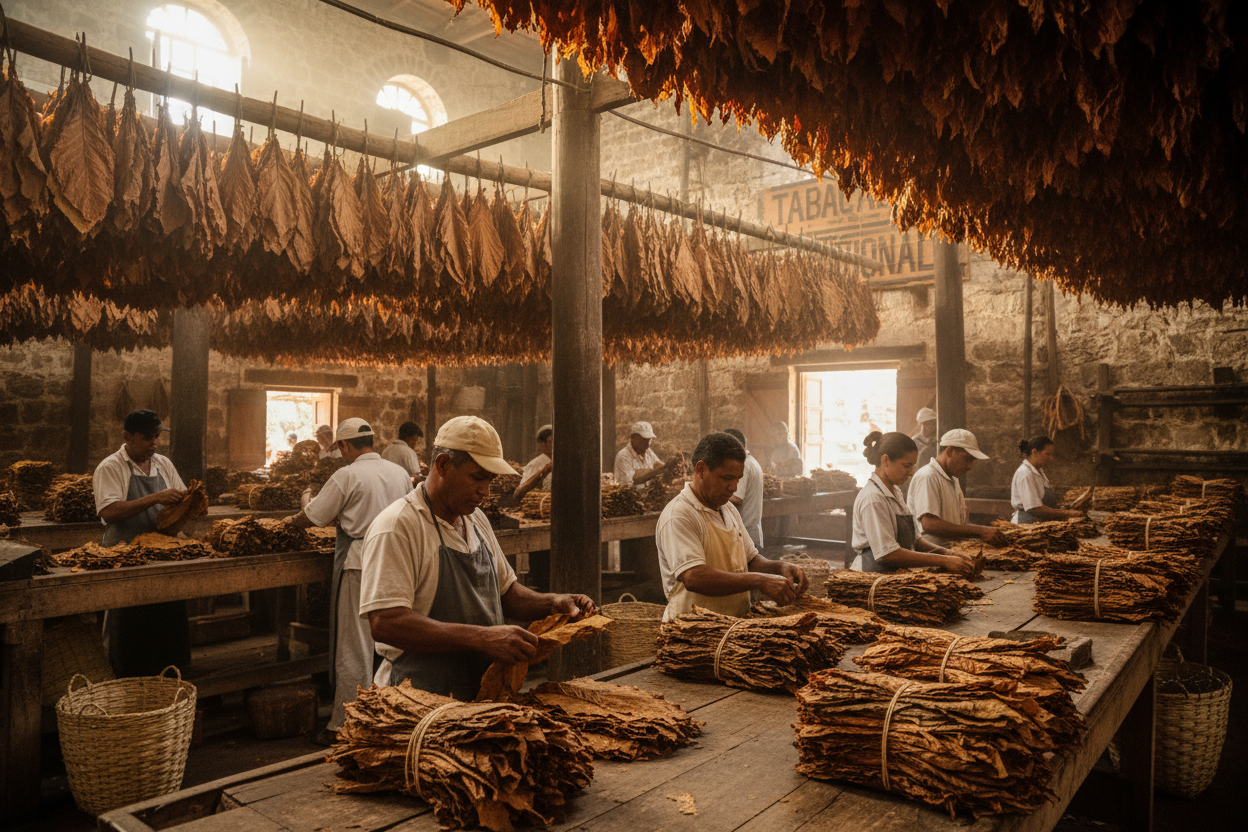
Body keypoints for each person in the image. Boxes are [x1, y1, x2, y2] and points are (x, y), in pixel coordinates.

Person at [359, 416, 595, 699]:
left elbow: (508, 594)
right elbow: (386, 622)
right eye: (477, 478)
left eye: (490, 481)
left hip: (482, 693)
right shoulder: (398, 526)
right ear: (443, 464)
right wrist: (482, 637)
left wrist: (554, 602)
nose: (485, 491)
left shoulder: (476, 519)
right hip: (419, 699)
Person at [286, 418, 412, 740]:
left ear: (343, 446)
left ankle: (344, 723)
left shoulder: (347, 474)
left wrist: (299, 507)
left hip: (360, 563)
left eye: (339, 448)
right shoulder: (399, 473)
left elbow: (313, 517)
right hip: (396, 560)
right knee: (394, 641)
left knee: (354, 644)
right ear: (371, 440)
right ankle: (392, 711)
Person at [656, 432, 808, 621]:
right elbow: (694, 577)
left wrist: (780, 567)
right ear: (701, 469)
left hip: (733, 627)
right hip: (691, 632)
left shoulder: (728, 510)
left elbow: (751, 561)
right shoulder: (679, 515)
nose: (734, 487)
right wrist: (760, 581)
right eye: (726, 478)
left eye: (737, 479)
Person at [93, 409, 190, 676]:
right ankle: (129, 678)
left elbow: (179, 500)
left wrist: (190, 506)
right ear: (127, 436)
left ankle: (170, 675)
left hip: (161, 553)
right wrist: (154, 498)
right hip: (124, 555)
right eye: (148, 438)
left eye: (157, 437)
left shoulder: (163, 464)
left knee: (167, 616)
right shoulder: (111, 467)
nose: (154, 444)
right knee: (129, 622)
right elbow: (109, 511)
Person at [850, 431, 980, 576]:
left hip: (893, 575)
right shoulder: (873, 498)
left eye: (913, 466)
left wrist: (947, 553)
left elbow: (916, 541)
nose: (911, 472)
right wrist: (944, 560)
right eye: (906, 466)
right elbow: (888, 554)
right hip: (872, 576)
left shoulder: (896, 492)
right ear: (885, 460)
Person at [907, 429, 1008, 548]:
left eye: (972, 461)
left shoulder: (953, 480)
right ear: (949, 451)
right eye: (967, 459)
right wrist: (979, 530)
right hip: (930, 551)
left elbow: (956, 524)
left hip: (949, 550)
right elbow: (929, 524)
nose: (970, 466)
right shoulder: (928, 476)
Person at [1010, 435, 1086, 524]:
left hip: (1041, 522)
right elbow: (1034, 509)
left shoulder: (1038, 471)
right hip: (1027, 524)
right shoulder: (1025, 473)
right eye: (1048, 454)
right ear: (1035, 452)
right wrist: (1068, 513)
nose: (1051, 458)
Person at [723, 428, 764, 550]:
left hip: (746, 532)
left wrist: (712, 494)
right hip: (751, 530)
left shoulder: (743, 465)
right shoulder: (752, 461)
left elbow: (737, 498)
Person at [614, 421, 675, 486]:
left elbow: (658, 465)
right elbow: (630, 482)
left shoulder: (647, 451)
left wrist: (669, 466)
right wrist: (656, 471)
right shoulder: (623, 456)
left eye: (649, 440)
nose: (647, 445)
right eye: (643, 440)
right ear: (633, 438)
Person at [514, 424, 553, 500]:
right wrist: (546, 470)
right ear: (542, 444)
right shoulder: (535, 464)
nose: (555, 445)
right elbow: (519, 492)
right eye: (551, 441)